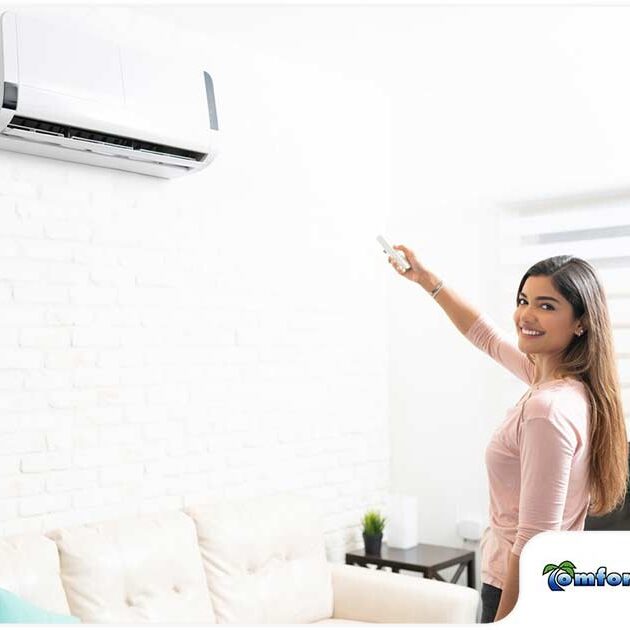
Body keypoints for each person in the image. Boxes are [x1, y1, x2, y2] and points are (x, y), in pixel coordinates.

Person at [387, 244, 628, 623]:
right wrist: (427, 281)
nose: (526, 315)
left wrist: (506, 621)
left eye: (547, 306)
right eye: (523, 300)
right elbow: (485, 334)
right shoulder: (570, 389)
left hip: (518, 590)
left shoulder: (546, 410)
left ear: (581, 322)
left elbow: (535, 540)